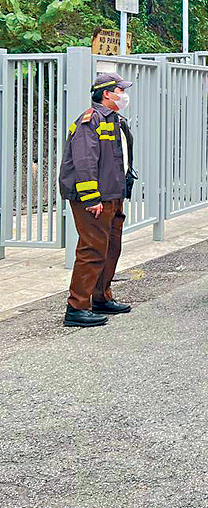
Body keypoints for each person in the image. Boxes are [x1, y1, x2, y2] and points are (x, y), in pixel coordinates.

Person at [58, 72, 136, 328]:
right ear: (107, 94)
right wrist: (92, 198)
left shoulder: (115, 120)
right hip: (94, 199)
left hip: (113, 196)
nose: (124, 95)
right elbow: (84, 162)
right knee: (92, 249)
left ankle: (101, 297)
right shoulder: (89, 121)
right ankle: (77, 307)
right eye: (120, 90)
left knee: (111, 248)